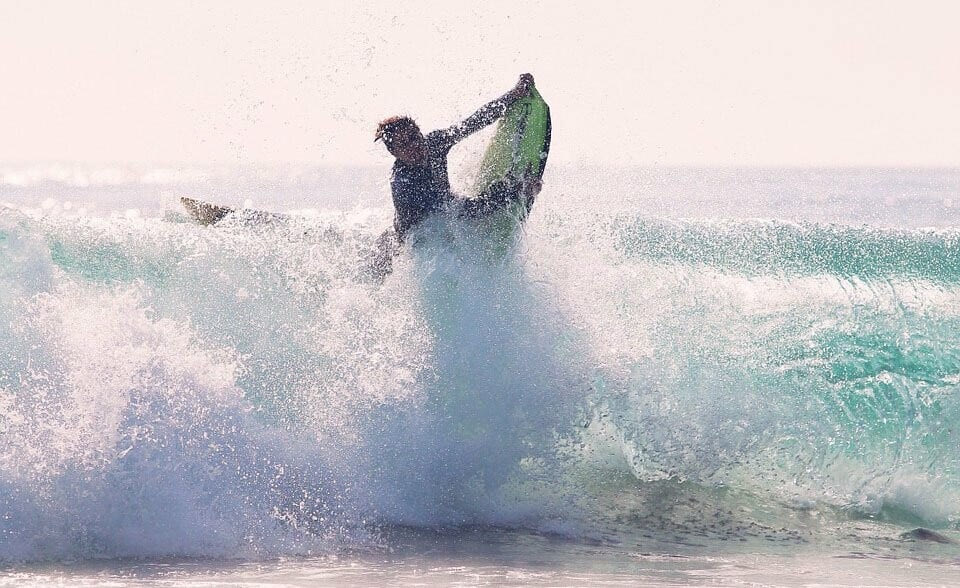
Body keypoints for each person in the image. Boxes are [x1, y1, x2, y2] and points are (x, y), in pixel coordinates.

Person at [374, 73, 542, 244]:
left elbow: (474, 122)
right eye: (403, 145)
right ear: (394, 153)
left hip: (442, 213)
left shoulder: (435, 143)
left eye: (413, 137)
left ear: (419, 132)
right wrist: (515, 189)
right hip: (410, 242)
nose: (413, 146)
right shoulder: (407, 184)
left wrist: (513, 95)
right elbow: (463, 211)